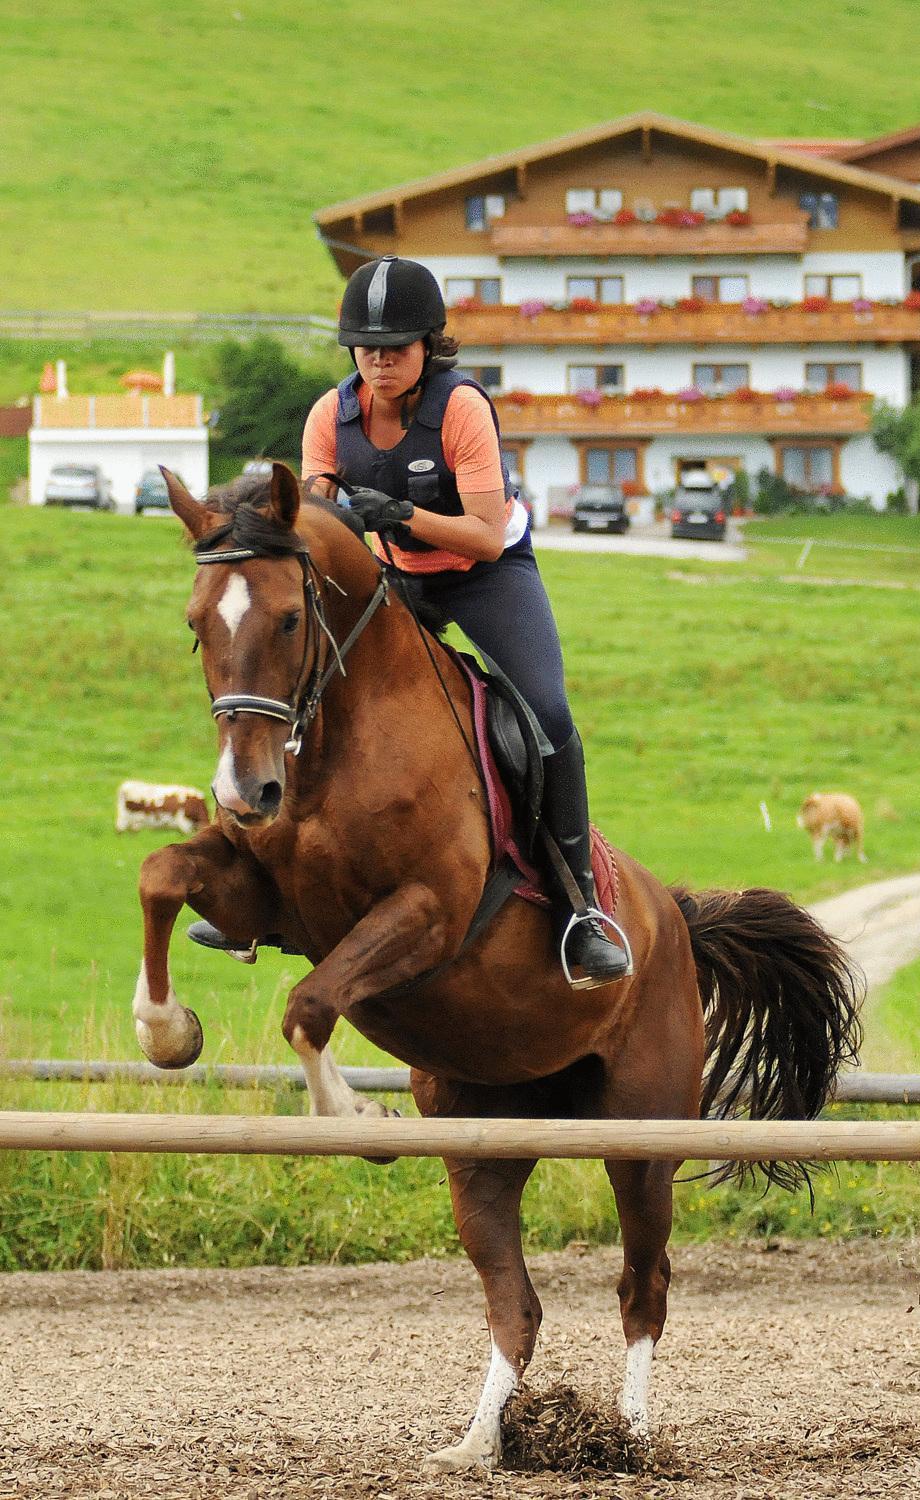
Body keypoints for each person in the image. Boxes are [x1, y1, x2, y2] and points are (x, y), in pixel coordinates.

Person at [195, 256, 629, 988]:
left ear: (429, 345)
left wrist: (397, 513)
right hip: (394, 581)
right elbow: (312, 522)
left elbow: (488, 535)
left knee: (548, 716)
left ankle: (581, 906)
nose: (380, 361)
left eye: (395, 349)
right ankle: (257, 885)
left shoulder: (461, 409)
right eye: (367, 350)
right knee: (292, 691)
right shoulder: (329, 417)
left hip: (486, 579)